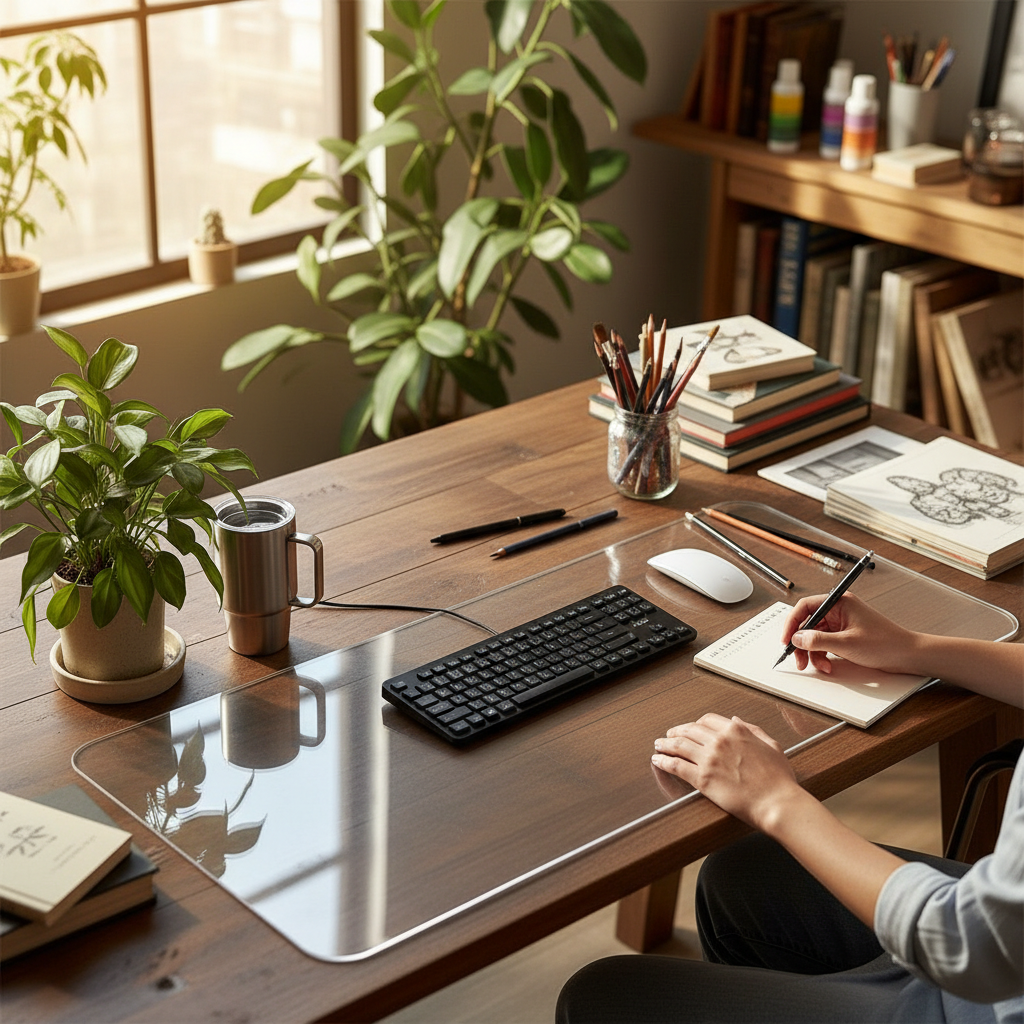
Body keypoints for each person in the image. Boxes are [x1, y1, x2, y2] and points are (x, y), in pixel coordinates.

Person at [556, 593, 1023, 1024]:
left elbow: (973, 946)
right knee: (740, 873)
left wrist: (775, 801)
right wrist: (912, 649)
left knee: (599, 996)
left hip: (985, 988)